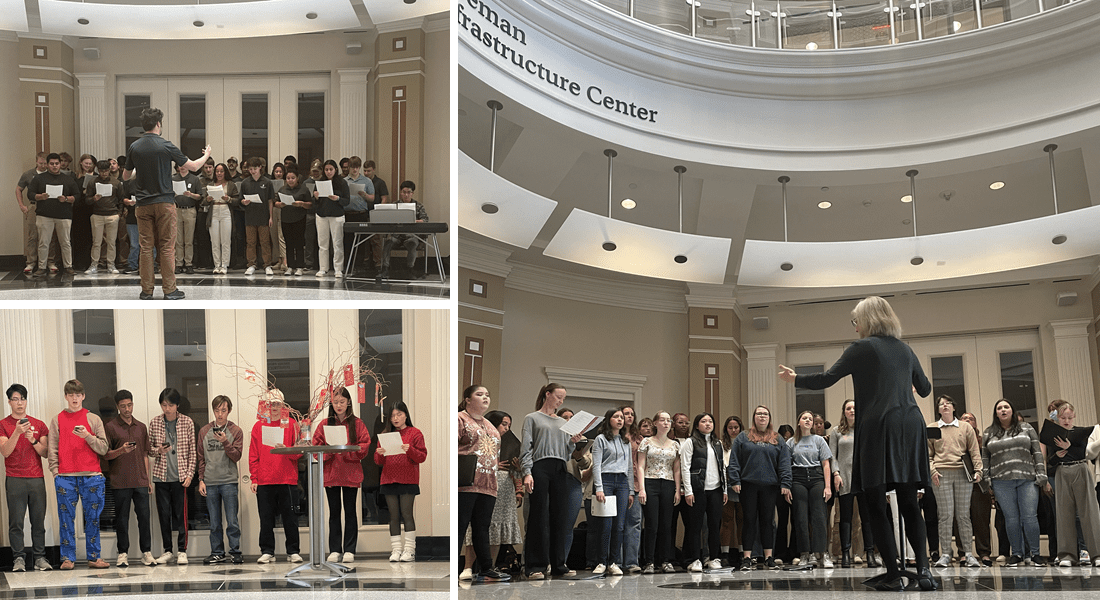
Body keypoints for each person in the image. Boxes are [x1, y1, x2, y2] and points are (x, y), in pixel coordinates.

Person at [778, 295, 936, 591]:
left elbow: (827, 378)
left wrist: (796, 378)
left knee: (875, 500)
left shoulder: (862, 347)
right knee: (908, 499)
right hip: (912, 424)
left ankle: (893, 574)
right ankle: (925, 572)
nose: (855, 327)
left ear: (868, 321)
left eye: (856, 321)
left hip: (879, 424)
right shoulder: (906, 349)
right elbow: (925, 389)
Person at [123, 107, 213, 299]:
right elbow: (195, 166)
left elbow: (125, 176)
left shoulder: (134, 146)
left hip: (142, 204)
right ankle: (170, 290)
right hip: (164, 202)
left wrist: (142, 170)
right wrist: (207, 154)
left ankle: (146, 291)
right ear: (158, 124)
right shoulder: (166, 145)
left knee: (146, 247)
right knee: (166, 246)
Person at [519, 383, 584, 579]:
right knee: (538, 516)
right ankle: (535, 566)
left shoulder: (562, 423)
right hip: (540, 467)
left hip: (559, 468)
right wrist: (527, 472)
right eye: (558, 396)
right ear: (547, 394)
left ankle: (558, 564)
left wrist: (572, 443)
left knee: (560, 517)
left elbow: (565, 453)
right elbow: (526, 447)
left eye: (563, 398)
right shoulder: (532, 418)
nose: (561, 401)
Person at [47, 379, 110, 569]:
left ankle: (94, 556)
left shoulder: (94, 419)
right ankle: (68, 558)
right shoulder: (57, 419)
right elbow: (52, 448)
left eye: (78, 394)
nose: (74, 398)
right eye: (71, 394)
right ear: (66, 396)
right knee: (66, 519)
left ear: (83, 396)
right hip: (65, 477)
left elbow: (104, 448)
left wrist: (87, 436)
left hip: (92, 475)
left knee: (93, 517)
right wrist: (55, 472)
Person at [981, 398, 1047, 567]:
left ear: (1012, 410)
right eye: (999, 408)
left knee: (1030, 517)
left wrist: (1041, 474)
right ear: (996, 413)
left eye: (1006, 407)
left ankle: (1036, 554)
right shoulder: (989, 432)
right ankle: (1016, 554)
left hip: (1027, 479)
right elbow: (985, 458)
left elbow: (1037, 452)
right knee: (1011, 519)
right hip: (1001, 482)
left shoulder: (1027, 428)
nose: (1003, 410)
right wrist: (987, 480)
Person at [311, 388, 371, 563]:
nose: (338, 405)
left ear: (348, 403)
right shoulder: (324, 424)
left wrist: (347, 453)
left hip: (351, 473)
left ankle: (350, 550)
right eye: (335, 402)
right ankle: (335, 550)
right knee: (334, 512)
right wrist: (331, 452)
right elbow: (316, 448)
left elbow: (364, 445)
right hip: (331, 474)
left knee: (351, 511)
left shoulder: (357, 423)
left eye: (342, 402)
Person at [457, 386, 511, 581]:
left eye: (487, 394)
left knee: (482, 527)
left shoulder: (490, 426)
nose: (485, 397)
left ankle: (487, 567)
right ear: (467, 400)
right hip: (465, 483)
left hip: (488, 483)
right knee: (460, 526)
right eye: (479, 394)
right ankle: (454, 567)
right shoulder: (460, 419)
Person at [728, 405, 790, 571]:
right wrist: (735, 480)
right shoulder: (743, 437)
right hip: (748, 485)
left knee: (768, 521)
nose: (762, 416)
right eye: (759, 414)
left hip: (770, 486)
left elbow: (784, 462)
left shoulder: (777, 438)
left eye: (765, 414)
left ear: (769, 418)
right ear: (754, 417)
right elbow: (734, 460)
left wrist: (786, 483)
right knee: (748, 521)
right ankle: (747, 558)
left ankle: (769, 557)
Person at [927, 395, 983, 568]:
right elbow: (926, 454)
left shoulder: (965, 427)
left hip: (962, 474)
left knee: (963, 515)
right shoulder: (931, 428)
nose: (945, 406)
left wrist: (979, 469)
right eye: (941, 404)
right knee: (945, 516)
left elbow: (974, 450)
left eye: (948, 403)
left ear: (953, 407)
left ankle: (968, 554)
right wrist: (932, 471)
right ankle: (945, 554)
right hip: (940, 474)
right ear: (938, 409)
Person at [248, 391, 303, 564]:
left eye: (278, 404)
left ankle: (293, 551)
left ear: (283, 406)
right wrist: (254, 478)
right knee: (266, 518)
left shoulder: (292, 424)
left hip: (287, 478)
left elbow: (298, 453)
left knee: (290, 518)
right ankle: (267, 551)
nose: (274, 408)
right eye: (271, 405)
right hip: (265, 479)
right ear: (266, 406)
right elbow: (253, 454)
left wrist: (287, 449)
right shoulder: (259, 426)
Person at [0, 384, 50, 572]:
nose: (19, 402)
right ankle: (18, 558)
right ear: (9, 402)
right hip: (14, 478)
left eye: (22, 398)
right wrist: (17, 433)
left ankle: (40, 557)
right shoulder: (3, 424)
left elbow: (45, 453)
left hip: (36, 478)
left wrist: (33, 440)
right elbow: (5, 451)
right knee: (16, 521)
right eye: (15, 399)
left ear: (26, 401)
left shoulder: (39, 424)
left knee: (38, 520)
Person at [103, 390, 155, 567]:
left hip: (140, 480)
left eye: (129, 405)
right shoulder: (110, 427)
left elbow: (145, 454)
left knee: (144, 518)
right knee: (122, 519)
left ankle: (146, 552)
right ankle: (122, 553)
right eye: (123, 406)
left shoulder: (141, 427)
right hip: (120, 481)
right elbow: (106, 455)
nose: (127, 409)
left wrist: (148, 479)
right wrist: (121, 450)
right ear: (117, 407)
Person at [1047, 402, 1100, 567]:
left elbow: (1086, 453)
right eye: (1063, 417)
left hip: (1081, 469)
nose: (1066, 420)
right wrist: (1057, 454)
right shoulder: (1053, 434)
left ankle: (1096, 554)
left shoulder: (1081, 432)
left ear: (1074, 416)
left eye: (1069, 417)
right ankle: (1067, 555)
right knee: (1064, 513)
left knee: (1089, 512)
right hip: (1062, 472)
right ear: (1058, 417)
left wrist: (1069, 447)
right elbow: (1050, 461)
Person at [829, 399, 879, 568]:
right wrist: (836, 474)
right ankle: (845, 554)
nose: (852, 411)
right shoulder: (837, 431)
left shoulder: (865, 430)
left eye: (854, 408)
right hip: (844, 479)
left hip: (864, 479)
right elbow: (832, 456)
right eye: (848, 408)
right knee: (845, 518)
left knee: (866, 518)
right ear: (844, 412)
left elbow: (873, 455)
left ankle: (870, 553)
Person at [375, 401, 427, 562]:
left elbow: (422, 456)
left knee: (407, 514)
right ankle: (396, 549)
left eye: (399, 414)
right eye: (392, 416)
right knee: (394, 516)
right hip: (389, 479)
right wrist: (379, 453)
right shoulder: (385, 435)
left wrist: (409, 449)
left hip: (408, 479)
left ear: (406, 415)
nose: (396, 418)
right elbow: (378, 462)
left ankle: (410, 550)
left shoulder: (415, 433)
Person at [149, 388, 196, 564]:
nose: (167, 408)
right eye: (163, 404)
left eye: (170, 405)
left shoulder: (187, 422)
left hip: (181, 476)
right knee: (163, 514)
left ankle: (182, 550)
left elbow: (193, 452)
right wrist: (158, 450)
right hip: (161, 476)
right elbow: (149, 450)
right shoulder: (155, 423)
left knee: (181, 514)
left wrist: (190, 474)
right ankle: (167, 550)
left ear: (177, 405)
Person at [197, 395, 245, 565]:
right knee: (214, 522)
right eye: (217, 410)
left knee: (232, 520)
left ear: (229, 411)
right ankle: (217, 552)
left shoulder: (236, 431)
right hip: (210, 482)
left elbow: (237, 456)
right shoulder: (204, 431)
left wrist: (225, 441)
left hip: (229, 481)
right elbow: (200, 458)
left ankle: (235, 551)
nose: (219, 414)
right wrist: (201, 479)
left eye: (223, 410)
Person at [679, 412, 726, 572]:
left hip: (716, 490)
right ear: (697, 425)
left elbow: (722, 468)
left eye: (710, 421)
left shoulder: (717, 443)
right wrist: (688, 490)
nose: (708, 424)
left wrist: (724, 489)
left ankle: (713, 558)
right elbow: (685, 467)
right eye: (704, 421)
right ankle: (695, 559)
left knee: (714, 525)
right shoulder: (690, 442)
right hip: (697, 490)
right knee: (695, 526)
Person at [590, 408, 634, 576]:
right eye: (616, 417)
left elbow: (629, 467)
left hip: (622, 482)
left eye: (622, 417)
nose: (620, 419)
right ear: (608, 420)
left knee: (619, 525)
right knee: (606, 525)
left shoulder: (626, 441)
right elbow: (597, 465)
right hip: (606, 481)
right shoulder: (600, 439)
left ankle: (613, 562)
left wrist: (630, 490)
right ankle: (601, 561)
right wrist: (599, 488)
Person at [637, 411, 682, 574]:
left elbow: (676, 469)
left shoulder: (675, 444)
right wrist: (642, 488)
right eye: (662, 420)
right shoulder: (646, 442)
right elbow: (640, 466)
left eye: (668, 420)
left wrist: (678, 489)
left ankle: (665, 560)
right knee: (652, 524)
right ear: (655, 423)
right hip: (651, 482)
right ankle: (649, 560)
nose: (666, 422)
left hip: (669, 483)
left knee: (667, 525)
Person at [788, 410, 834, 568]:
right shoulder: (791, 442)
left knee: (820, 517)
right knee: (800, 518)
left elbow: (826, 464)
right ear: (799, 422)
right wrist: (786, 486)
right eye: (804, 418)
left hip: (816, 479)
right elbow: (786, 466)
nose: (807, 421)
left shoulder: (819, 440)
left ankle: (821, 553)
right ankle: (805, 554)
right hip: (798, 479)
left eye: (810, 419)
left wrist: (828, 486)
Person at [28, 153, 79, 275]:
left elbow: (77, 195)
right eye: (52, 164)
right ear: (47, 164)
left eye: (57, 163)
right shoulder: (39, 178)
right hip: (44, 215)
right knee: (43, 242)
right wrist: (40, 196)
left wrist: (66, 199)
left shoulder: (68, 179)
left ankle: (68, 266)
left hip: (64, 215)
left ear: (60, 164)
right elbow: (30, 193)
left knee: (65, 242)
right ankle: (41, 267)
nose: (55, 166)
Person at [379, 181, 429, 281]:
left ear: (412, 193)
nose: (406, 195)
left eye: (408, 192)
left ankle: (410, 268)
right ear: (400, 192)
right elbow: (388, 219)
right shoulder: (395, 205)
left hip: (411, 235)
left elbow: (425, 220)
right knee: (388, 242)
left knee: (412, 243)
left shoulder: (418, 206)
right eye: (404, 192)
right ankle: (385, 268)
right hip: (396, 235)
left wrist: (414, 221)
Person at [84, 160, 124, 275]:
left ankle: (111, 264)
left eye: (106, 171)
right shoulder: (92, 182)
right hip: (97, 214)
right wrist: (93, 199)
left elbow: (121, 199)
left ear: (109, 170)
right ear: (98, 171)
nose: (104, 173)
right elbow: (87, 200)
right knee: (96, 241)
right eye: (101, 171)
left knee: (111, 242)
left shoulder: (116, 183)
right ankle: (94, 264)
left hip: (112, 214)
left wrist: (119, 213)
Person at [236, 157, 275, 276]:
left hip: (263, 216)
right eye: (250, 169)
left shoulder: (267, 182)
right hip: (250, 216)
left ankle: (267, 265)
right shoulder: (245, 183)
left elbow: (270, 201)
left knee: (265, 242)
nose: (252, 171)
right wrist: (243, 202)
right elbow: (240, 199)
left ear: (260, 168)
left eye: (254, 169)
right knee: (250, 242)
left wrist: (271, 217)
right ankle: (251, 264)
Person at [313, 159, 351, 278]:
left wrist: (338, 199)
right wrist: (316, 197)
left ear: (335, 170)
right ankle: (323, 268)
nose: (329, 172)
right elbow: (315, 201)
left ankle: (338, 269)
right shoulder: (320, 181)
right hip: (322, 215)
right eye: (326, 170)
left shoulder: (342, 183)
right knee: (323, 243)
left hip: (337, 215)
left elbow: (347, 201)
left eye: (331, 169)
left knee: (337, 243)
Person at [15, 152, 50, 274]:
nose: (43, 166)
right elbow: (18, 189)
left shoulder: (50, 174)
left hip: (49, 207)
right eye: (41, 163)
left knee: (49, 236)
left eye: (45, 163)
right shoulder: (28, 174)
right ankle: (30, 262)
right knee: (32, 235)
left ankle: (50, 261)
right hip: (34, 206)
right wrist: (22, 205)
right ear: (36, 162)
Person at [274, 164, 311, 276]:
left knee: (299, 244)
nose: (290, 180)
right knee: (288, 244)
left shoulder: (304, 189)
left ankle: (300, 266)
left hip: (299, 219)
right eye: (288, 178)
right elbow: (275, 202)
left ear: (297, 179)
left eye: (293, 178)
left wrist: (302, 204)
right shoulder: (282, 189)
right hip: (286, 219)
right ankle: (290, 266)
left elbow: (310, 204)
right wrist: (279, 204)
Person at [619, 405, 643, 574]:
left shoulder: (639, 438)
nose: (629, 416)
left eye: (631, 414)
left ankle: (631, 562)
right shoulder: (613, 436)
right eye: (625, 413)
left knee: (634, 524)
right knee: (618, 524)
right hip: (618, 483)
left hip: (635, 484)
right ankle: (616, 562)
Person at [719, 415, 744, 568]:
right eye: (730, 428)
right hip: (727, 484)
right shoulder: (721, 445)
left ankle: (742, 554)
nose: (733, 430)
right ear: (726, 429)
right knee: (727, 520)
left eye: (736, 427)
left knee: (742, 520)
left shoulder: (745, 443)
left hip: (742, 484)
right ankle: (725, 555)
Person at [343, 156, 375, 274]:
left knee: (361, 241)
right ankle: (348, 265)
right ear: (349, 168)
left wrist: (365, 195)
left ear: (359, 167)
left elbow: (372, 198)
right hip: (347, 214)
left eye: (356, 167)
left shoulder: (367, 181)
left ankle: (359, 265)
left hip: (361, 213)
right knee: (347, 241)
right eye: (352, 167)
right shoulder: (344, 181)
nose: (354, 170)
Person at [204, 163, 237, 274]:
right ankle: (217, 265)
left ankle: (224, 265)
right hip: (214, 211)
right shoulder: (211, 184)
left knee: (226, 240)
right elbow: (203, 202)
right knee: (214, 240)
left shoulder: (231, 184)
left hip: (225, 211)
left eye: (221, 171)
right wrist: (208, 199)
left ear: (225, 172)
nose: (219, 173)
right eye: (217, 171)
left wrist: (228, 199)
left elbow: (237, 200)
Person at [172, 165, 202, 274]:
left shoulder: (194, 179)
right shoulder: (173, 179)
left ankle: (189, 263)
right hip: (177, 209)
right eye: (180, 166)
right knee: (178, 239)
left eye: (184, 165)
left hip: (190, 210)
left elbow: (199, 196)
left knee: (189, 239)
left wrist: (191, 195)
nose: (182, 167)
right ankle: (179, 263)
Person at [363, 159, 389, 272]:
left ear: (374, 170)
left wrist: (379, 210)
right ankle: (365, 261)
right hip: (364, 212)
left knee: (376, 239)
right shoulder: (362, 181)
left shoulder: (380, 182)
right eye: (364, 171)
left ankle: (378, 263)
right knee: (364, 239)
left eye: (368, 171)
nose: (366, 173)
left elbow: (384, 198)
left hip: (375, 213)